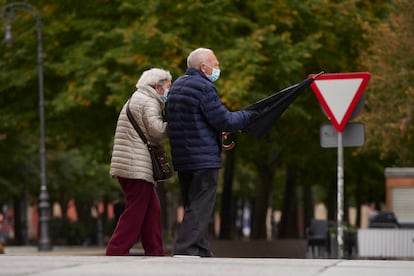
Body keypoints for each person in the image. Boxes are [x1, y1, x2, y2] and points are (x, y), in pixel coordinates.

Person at [167, 48, 254, 257]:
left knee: (193, 204)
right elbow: (224, 120)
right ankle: (185, 249)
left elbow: (193, 122)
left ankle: (202, 250)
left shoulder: (177, 86)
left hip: (183, 157)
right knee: (201, 206)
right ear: (202, 67)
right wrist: (249, 115)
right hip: (203, 158)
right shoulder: (204, 88)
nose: (218, 68)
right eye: (215, 64)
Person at [106, 68, 172, 256]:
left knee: (152, 210)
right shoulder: (148, 101)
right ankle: (117, 249)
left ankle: (155, 251)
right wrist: (175, 123)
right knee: (136, 210)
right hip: (135, 166)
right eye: (168, 86)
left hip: (131, 164)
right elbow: (156, 130)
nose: (170, 90)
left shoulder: (138, 98)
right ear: (157, 87)